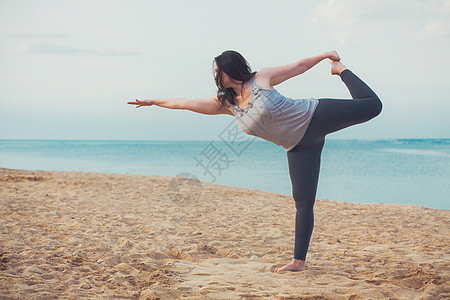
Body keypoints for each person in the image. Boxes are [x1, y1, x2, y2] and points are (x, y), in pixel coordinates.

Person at [127, 50, 382, 273]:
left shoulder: (262, 78)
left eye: (219, 71)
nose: (216, 76)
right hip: (298, 147)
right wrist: (153, 102)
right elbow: (184, 103)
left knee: (372, 106)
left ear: (231, 68)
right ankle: (298, 261)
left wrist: (326, 56)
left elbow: (298, 67)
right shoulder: (227, 104)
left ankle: (342, 71)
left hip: (313, 116)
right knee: (303, 202)